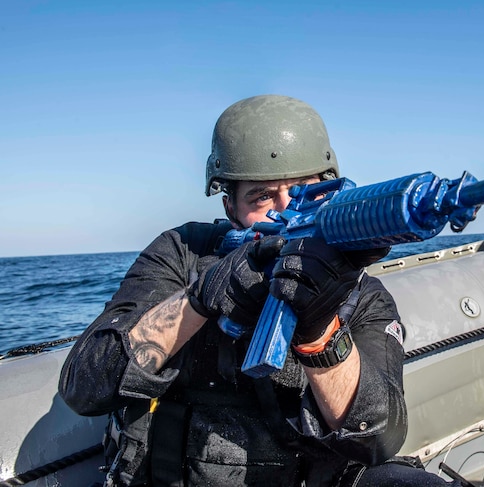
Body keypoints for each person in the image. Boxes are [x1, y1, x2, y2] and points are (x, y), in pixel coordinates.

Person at [59, 95, 456, 486]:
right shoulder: (183, 253)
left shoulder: (361, 294)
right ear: (230, 205)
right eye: (261, 196)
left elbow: (378, 439)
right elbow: (85, 388)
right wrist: (199, 299)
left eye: (305, 190)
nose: (286, 210)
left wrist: (318, 330)